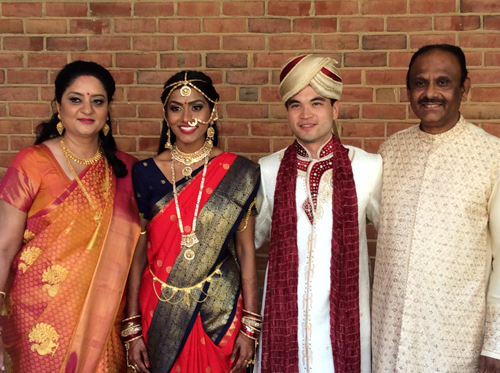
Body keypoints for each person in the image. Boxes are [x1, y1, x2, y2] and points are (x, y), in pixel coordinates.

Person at [0, 61, 140, 372]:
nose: (86, 108)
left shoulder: (128, 171)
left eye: (97, 101)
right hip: (38, 317)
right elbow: (4, 247)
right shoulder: (32, 162)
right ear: (58, 107)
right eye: (75, 99)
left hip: (104, 319)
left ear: (107, 111)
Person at [371, 44, 500, 373]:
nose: (430, 93)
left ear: (464, 88)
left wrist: (495, 342)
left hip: (454, 340)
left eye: (443, 82)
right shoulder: (390, 151)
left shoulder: (491, 156)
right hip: (389, 336)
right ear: (408, 90)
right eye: (420, 83)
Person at [124, 71, 261, 373]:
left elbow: (247, 251)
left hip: (220, 310)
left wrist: (250, 325)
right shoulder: (145, 172)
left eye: (197, 107)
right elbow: (137, 253)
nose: (187, 117)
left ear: (213, 111)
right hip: (159, 307)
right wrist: (132, 325)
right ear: (165, 114)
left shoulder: (239, 172)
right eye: (176, 108)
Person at [254, 54, 382, 373]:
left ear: (335, 109)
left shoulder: (368, 167)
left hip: (347, 331)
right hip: (283, 333)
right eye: (295, 104)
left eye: (317, 102)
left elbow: (396, 240)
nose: (306, 114)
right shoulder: (268, 170)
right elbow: (249, 242)